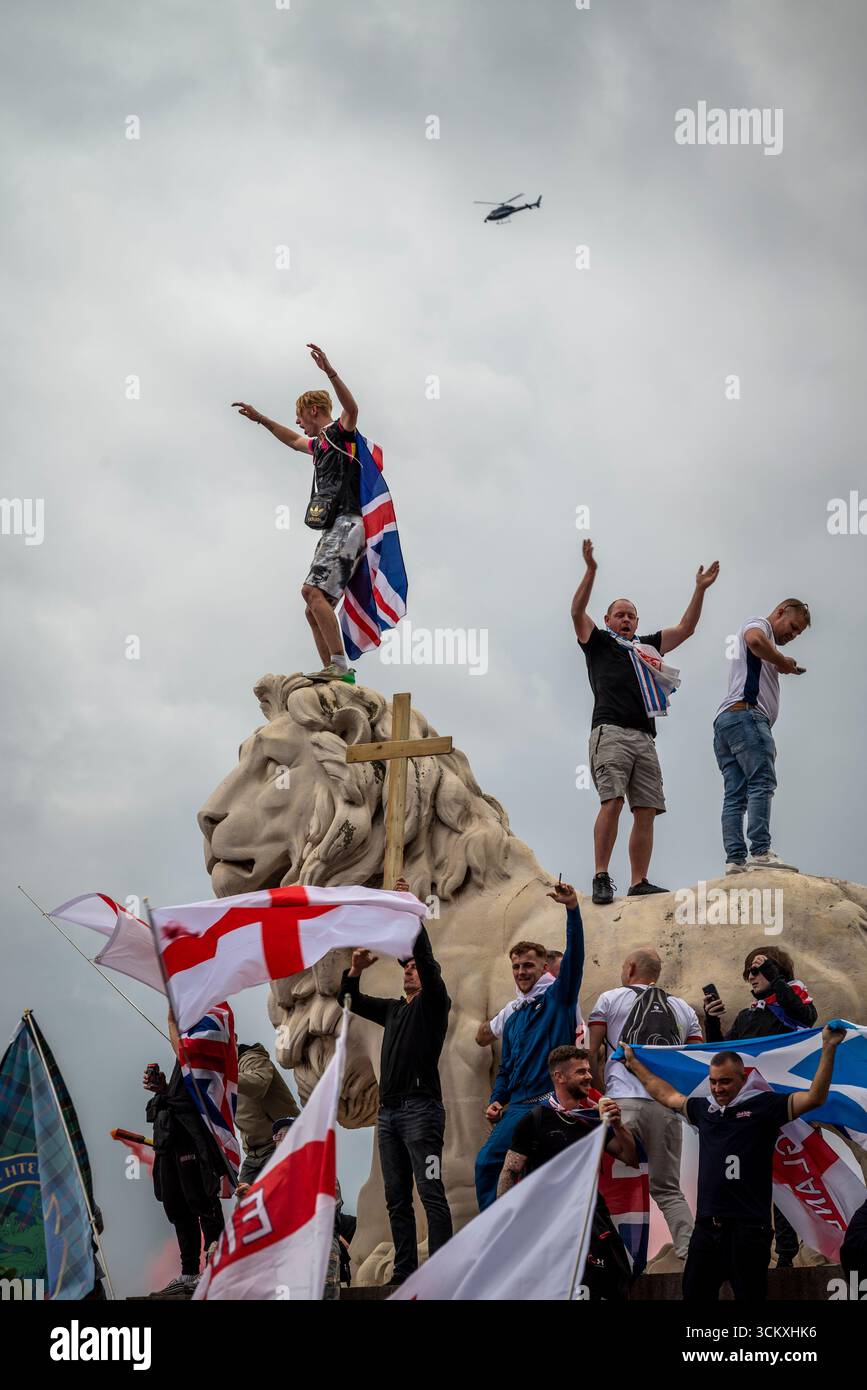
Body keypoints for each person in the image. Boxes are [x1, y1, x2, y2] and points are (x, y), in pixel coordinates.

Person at [621, 1024, 847, 1301]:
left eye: (725, 1081)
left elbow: (815, 1098)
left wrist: (828, 1048)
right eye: (713, 1082)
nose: (718, 1088)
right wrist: (634, 1064)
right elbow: (667, 1094)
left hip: (749, 1230)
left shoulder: (765, 1106)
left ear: (743, 1078)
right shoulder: (705, 1110)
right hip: (707, 1229)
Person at [571, 538, 720, 904]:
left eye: (631, 615)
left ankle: (639, 881)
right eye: (619, 614)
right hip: (611, 731)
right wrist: (591, 571)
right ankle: (601, 876)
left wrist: (699, 589)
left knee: (647, 808)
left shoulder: (646, 647)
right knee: (613, 801)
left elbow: (686, 628)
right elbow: (576, 612)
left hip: (645, 737)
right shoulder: (599, 643)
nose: (625, 619)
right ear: (607, 620)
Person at [339, 878, 452, 1286]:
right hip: (389, 1116)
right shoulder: (392, 1010)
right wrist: (354, 970)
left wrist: (408, 906)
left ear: (428, 975)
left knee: (431, 1190)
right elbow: (347, 1001)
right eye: (404, 967)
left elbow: (422, 950)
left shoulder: (434, 1005)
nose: (409, 971)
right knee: (396, 1198)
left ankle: (440, 1270)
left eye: (415, 968)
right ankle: (405, 1272)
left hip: (422, 1110)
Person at [232, 343, 362, 683]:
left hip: (349, 523)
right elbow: (291, 440)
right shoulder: (319, 445)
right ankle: (333, 672)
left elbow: (352, 408)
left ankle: (340, 666)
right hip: (334, 526)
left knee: (311, 591)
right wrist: (260, 419)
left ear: (315, 411)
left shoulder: (341, 433)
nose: (297, 421)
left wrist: (330, 372)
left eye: (300, 415)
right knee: (312, 607)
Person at [704, 946, 818, 1267]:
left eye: (757, 970)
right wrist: (712, 1022)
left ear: (775, 971)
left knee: (787, 1178)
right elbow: (723, 1057)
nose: (751, 977)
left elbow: (805, 1017)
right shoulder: (747, 1014)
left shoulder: (793, 997)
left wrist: (773, 972)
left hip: (786, 1106)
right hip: (749, 1111)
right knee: (753, 1180)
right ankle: (754, 1251)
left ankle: (785, 1256)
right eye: (748, 973)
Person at [475, 882, 585, 1211]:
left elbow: (576, 956)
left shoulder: (558, 999)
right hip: (518, 1106)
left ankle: (498, 1236)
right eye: (517, 967)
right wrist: (497, 1100)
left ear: (544, 969)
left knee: (493, 1165)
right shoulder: (513, 1017)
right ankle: (508, 1239)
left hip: (547, 1102)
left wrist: (573, 910)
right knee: (507, 1170)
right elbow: (506, 1068)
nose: (522, 972)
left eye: (528, 966)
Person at [587, 947, 702, 1263]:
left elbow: (592, 1053)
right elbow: (695, 1061)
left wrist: (601, 1093)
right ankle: (691, 1253)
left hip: (621, 1105)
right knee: (667, 1189)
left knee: (601, 1182)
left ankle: (602, 1255)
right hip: (665, 1107)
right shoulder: (682, 1009)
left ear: (630, 967)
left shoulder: (610, 999)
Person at [497, 1045, 637, 1300]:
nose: (589, 1076)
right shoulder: (536, 1119)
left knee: (614, 1283)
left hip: (591, 1218)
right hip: (548, 1220)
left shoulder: (594, 1118)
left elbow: (630, 1157)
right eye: (581, 1071)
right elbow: (510, 1170)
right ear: (559, 1077)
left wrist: (617, 1125)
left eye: (588, 1070)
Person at [713, 600, 810, 873]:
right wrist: (782, 662)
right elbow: (753, 639)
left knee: (735, 794)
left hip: (727, 722)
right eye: (793, 627)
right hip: (747, 716)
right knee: (762, 782)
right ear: (780, 612)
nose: (792, 635)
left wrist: (778, 662)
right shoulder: (761, 626)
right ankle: (761, 852)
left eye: (798, 633)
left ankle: (735, 859)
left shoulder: (769, 644)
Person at [143, 1015, 226, 1297]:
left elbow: (198, 1098)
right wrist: (164, 1090)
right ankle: (190, 1272)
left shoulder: (208, 1037)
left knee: (202, 1200)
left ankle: (217, 1269)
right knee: (177, 1207)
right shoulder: (184, 1054)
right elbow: (178, 1094)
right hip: (170, 1143)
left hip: (194, 1142)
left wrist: (170, 1015)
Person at [234, 1040, 299, 1193]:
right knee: (244, 1209)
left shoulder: (253, 1058)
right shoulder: (221, 1077)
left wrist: (226, 1076)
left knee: (279, 1200)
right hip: (252, 1156)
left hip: (278, 1146)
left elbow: (258, 1083)